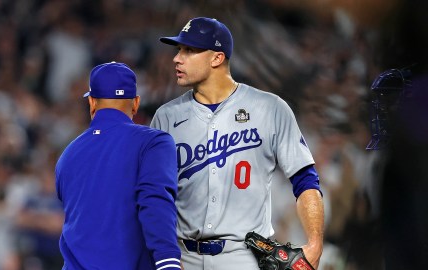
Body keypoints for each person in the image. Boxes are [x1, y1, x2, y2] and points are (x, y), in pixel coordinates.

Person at [150, 17, 324, 269]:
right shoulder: (166, 116)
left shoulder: (269, 108)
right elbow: (156, 195)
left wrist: (315, 244)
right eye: (179, 50)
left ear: (217, 58)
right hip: (182, 255)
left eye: (189, 50)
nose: (177, 58)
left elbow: (305, 179)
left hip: (244, 256)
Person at [55, 62, 182, 269]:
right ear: (135, 103)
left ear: (92, 103)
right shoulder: (153, 143)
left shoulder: (67, 155)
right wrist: (168, 261)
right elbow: (155, 201)